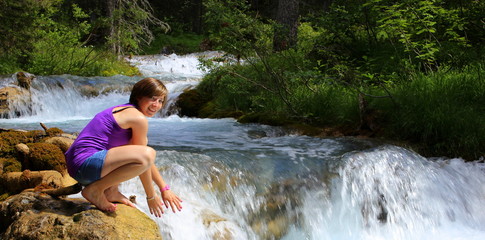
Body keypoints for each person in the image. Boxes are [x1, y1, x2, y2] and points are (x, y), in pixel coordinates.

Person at [65, 77, 182, 217]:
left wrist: (164, 188)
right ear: (138, 97)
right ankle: (95, 190)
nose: (156, 105)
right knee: (147, 153)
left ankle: (111, 191)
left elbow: (146, 162)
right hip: (85, 166)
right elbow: (144, 160)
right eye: (152, 98)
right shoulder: (138, 118)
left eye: (160, 101)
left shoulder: (125, 109)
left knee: (144, 153)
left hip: (79, 167)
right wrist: (151, 196)